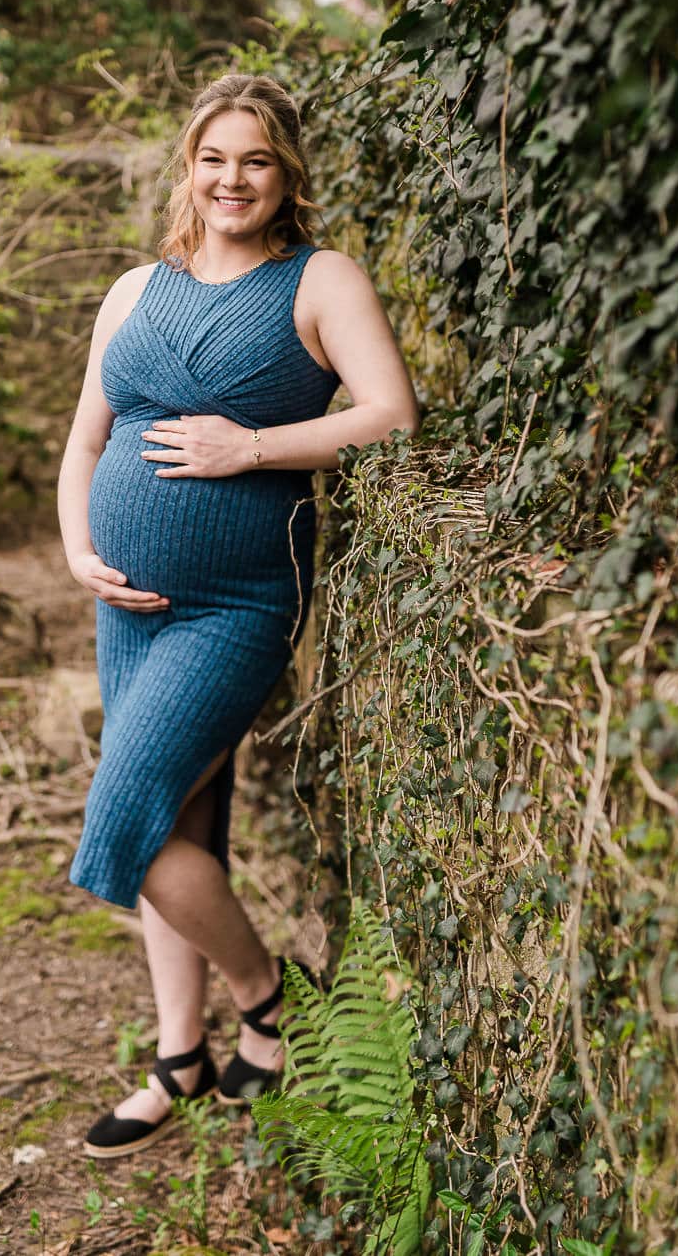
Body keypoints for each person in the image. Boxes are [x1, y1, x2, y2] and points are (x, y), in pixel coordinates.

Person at [56, 72, 420, 1158]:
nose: (231, 179)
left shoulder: (318, 280)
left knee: (123, 824)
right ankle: (179, 1058)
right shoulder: (132, 289)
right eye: (214, 158)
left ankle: (264, 996)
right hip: (124, 602)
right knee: (179, 827)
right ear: (189, 168)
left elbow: (390, 413)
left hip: (234, 603)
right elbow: (83, 444)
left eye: (254, 160)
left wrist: (249, 447)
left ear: (284, 174)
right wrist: (78, 549)